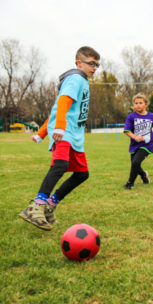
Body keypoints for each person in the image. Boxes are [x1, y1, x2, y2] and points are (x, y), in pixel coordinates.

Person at [19, 46, 100, 230]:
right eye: (91, 63)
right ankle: (36, 207)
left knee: (82, 174)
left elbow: (56, 109)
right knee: (60, 165)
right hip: (65, 133)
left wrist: (41, 133)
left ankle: (50, 205)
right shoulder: (75, 79)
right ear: (79, 63)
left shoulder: (82, 81)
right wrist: (60, 127)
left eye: (97, 64)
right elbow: (63, 102)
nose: (95, 68)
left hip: (74, 137)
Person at [123, 93, 153, 189]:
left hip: (147, 144)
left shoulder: (151, 116)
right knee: (135, 163)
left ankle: (130, 183)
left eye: (140, 103)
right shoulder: (131, 116)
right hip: (134, 144)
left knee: (135, 162)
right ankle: (144, 174)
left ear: (146, 104)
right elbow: (126, 131)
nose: (138, 105)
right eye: (136, 103)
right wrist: (135, 137)